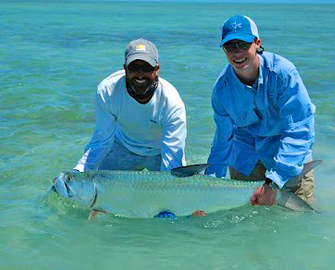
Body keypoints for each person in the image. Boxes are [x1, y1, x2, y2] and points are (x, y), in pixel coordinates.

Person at [205, 15, 317, 207]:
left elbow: (299, 130)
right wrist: (207, 189)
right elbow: (223, 140)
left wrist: (273, 183)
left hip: (289, 159)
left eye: (243, 44)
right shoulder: (221, 92)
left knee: (298, 225)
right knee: (247, 226)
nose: (237, 52)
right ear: (223, 49)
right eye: (230, 46)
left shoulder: (283, 74)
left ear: (257, 43)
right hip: (246, 160)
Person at [73, 38, 187, 174]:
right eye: (134, 67)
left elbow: (172, 160)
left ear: (156, 69)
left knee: (174, 184)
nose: (140, 74)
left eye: (146, 67)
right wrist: (78, 173)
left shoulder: (172, 103)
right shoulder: (108, 91)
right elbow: (101, 142)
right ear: (125, 69)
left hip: (160, 152)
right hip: (123, 147)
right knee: (97, 185)